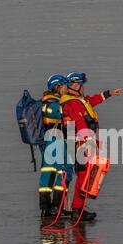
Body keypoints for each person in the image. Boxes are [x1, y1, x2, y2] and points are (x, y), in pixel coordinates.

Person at [60, 72, 123, 221]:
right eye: (82, 86)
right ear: (76, 86)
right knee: (83, 176)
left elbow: (91, 101)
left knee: (85, 176)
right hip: (80, 144)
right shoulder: (72, 103)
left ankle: (78, 208)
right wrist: (88, 142)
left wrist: (109, 94)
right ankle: (77, 210)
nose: (84, 89)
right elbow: (80, 123)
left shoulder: (78, 100)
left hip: (83, 143)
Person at [39, 74, 73, 217]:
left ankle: (48, 208)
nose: (67, 88)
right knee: (64, 172)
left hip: (52, 140)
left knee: (51, 173)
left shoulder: (52, 101)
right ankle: (54, 207)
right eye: (65, 85)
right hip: (55, 139)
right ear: (57, 87)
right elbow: (61, 114)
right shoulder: (52, 103)